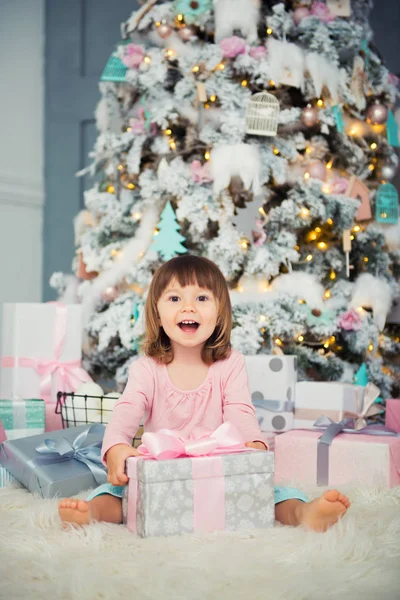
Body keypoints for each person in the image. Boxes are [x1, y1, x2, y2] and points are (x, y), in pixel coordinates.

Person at [59, 255, 350, 532]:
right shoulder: (146, 369)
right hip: (162, 475)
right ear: (158, 314)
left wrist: (252, 444)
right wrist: (115, 448)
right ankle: (92, 513)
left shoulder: (230, 364)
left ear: (219, 313)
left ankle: (302, 514)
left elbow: (240, 410)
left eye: (201, 298)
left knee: (274, 494)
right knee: (113, 494)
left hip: (219, 472)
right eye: (175, 299)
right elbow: (126, 410)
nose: (189, 308)